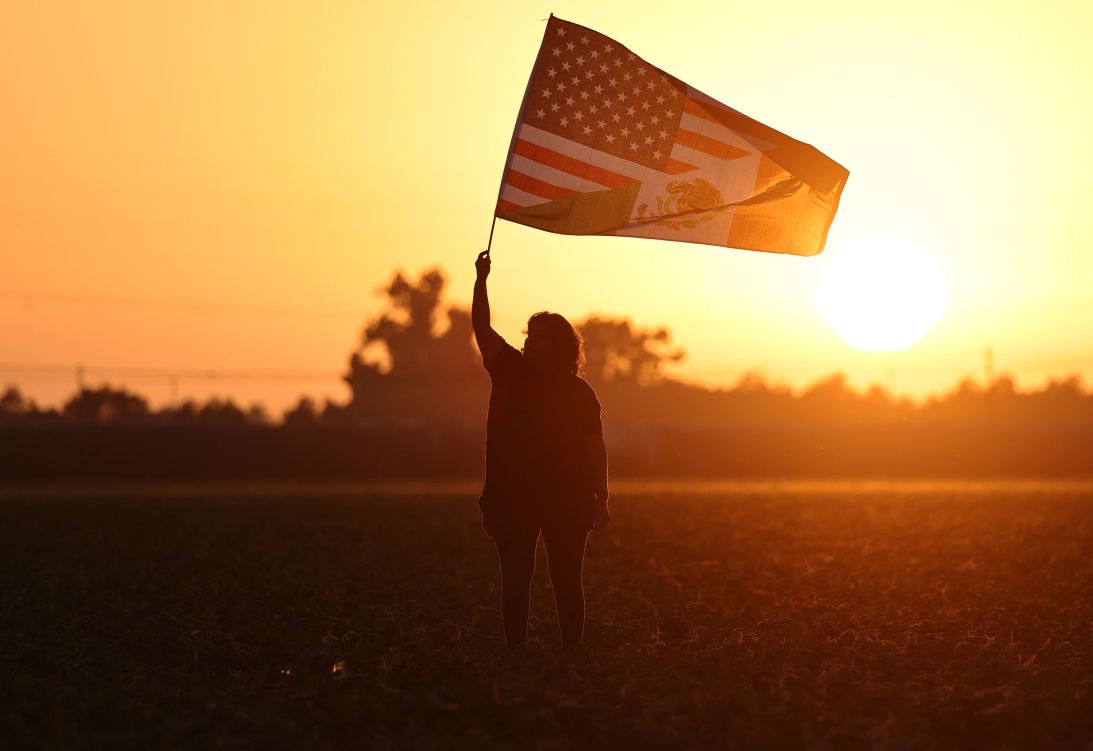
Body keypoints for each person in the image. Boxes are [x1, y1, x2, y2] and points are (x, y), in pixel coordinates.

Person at [472, 249, 610, 650]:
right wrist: (481, 280)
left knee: (567, 579)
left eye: (539, 338)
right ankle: (515, 652)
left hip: (568, 499)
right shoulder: (509, 370)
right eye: (528, 337)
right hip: (512, 497)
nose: (529, 343)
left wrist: (603, 494)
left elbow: (595, 447)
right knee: (516, 578)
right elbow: (481, 325)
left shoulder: (580, 393)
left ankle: (573, 655)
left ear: (559, 346)